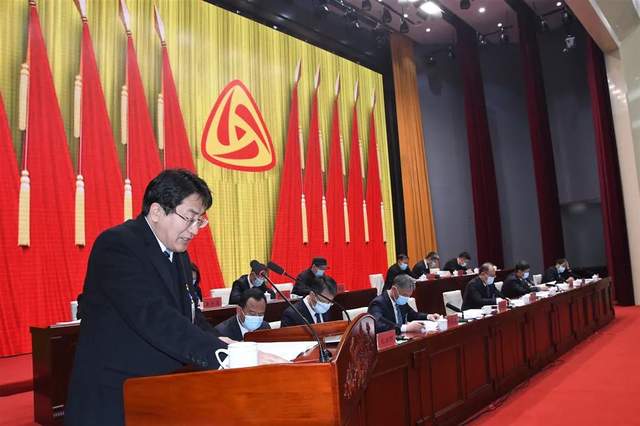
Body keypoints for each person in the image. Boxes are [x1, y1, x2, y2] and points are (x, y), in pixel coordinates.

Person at [65, 169, 279, 426]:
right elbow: (154, 317)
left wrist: (228, 345)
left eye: (200, 221)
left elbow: (189, 315)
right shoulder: (117, 245)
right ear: (157, 211)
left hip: (157, 393)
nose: (195, 230)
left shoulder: (177, 253)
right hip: (114, 396)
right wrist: (223, 355)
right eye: (189, 218)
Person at [368, 274, 440, 335]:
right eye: (404, 295)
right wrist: (405, 328)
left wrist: (428, 316)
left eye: (409, 296)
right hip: (388, 342)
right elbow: (378, 325)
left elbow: (412, 314)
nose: (406, 298)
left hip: (403, 338)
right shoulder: (378, 303)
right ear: (394, 289)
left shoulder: (400, 301)